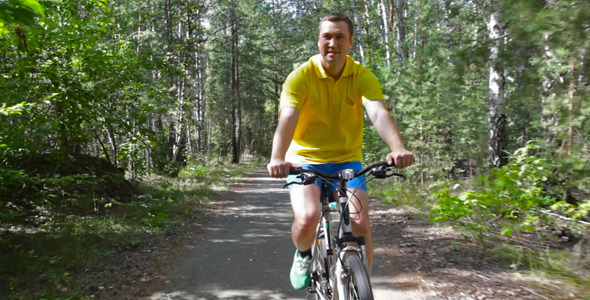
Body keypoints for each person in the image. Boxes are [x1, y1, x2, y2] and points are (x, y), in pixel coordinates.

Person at [266, 12, 414, 290]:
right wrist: (277, 158)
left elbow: (378, 113)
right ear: (318, 40)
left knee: (359, 221)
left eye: (339, 37)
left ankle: (361, 285)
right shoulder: (300, 77)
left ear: (350, 42)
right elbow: (287, 119)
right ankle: (304, 253)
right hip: (304, 162)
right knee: (308, 217)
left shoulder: (361, 76)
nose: (332, 43)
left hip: (347, 160)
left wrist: (397, 148)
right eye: (327, 36)